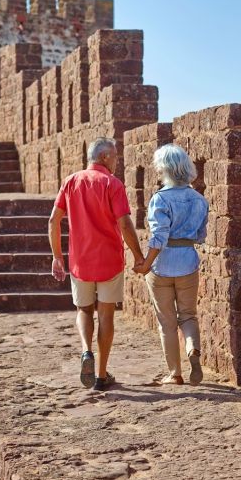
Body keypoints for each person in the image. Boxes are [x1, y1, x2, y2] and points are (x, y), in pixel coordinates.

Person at [49, 137, 144, 391]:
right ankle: (101, 376)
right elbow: (124, 224)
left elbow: (53, 220)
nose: (117, 161)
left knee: (83, 310)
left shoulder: (71, 181)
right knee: (106, 314)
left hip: (80, 261)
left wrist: (57, 256)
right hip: (109, 260)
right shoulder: (112, 184)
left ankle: (86, 352)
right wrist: (139, 256)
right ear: (104, 157)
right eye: (115, 156)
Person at [134, 144, 209, 385]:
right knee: (188, 316)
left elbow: (158, 237)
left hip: (162, 264)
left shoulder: (160, 199)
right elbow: (200, 235)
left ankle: (174, 373)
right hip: (188, 260)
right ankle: (192, 350)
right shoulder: (200, 200)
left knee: (166, 322)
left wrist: (146, 264)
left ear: (163, 169)